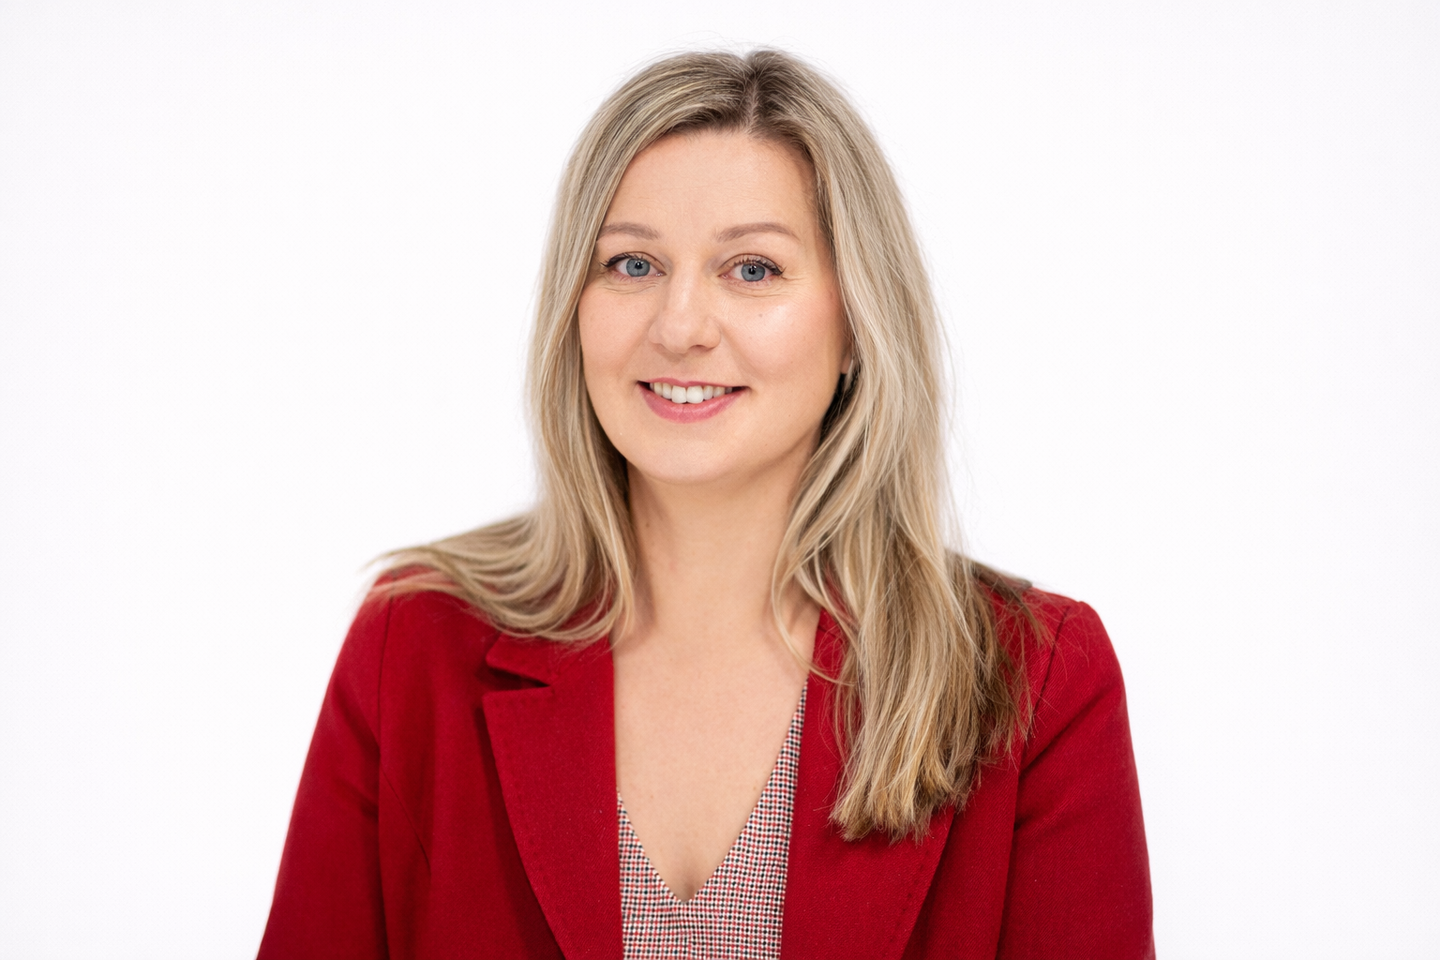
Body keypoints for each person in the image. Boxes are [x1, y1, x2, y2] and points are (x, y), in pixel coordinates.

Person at [258, 49, 1152, 960]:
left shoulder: (1033, 680)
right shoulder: (413, 646)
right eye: (632, 263)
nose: (680, 325)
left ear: (857, 323)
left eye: (753, 269)